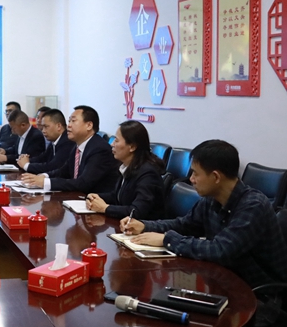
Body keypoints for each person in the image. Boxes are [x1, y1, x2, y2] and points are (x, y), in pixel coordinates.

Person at [121, 140, 287, 291]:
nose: (191, 179)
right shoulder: (211, 199)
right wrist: (145, 225)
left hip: (259, 295)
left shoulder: (253, 206)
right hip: (223, 282)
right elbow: (184, 225)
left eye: (195, 173)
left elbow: (220, 250)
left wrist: (167, 239)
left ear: (215, 177)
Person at [21, 105, 117, 192]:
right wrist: (43, 176)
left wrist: (46, 182)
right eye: (69, 121)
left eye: (73, 121)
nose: (69, 125)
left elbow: (83, 183)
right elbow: (64, 171)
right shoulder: (77, 146)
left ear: (89, 125)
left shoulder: (99, 149)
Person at [85, 120, 166, 220]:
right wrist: (96, 197)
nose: (112, 144)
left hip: (143, 227)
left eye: (116, 141)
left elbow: (137, 211)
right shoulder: (126, 166)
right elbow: (117, 196)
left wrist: (105, 208)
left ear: (132, 147)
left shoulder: (148, 173)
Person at [17, 108, 75, 174]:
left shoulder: (67, 142)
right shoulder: (54, 141)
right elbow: (42, 158)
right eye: (42, 127)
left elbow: (53, 166)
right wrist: (25, 160)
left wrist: (27, 165)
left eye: (46, 126)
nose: (43, 131)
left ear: (59, 126)